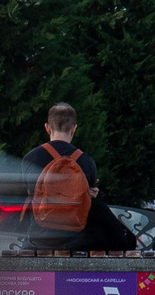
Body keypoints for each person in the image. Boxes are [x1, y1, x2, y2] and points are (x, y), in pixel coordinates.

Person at [23, 102, 136, 252]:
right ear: (74, 129)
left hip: (40, 238)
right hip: (76, 240)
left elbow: (28, 195)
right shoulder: (86, 161)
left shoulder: (30, 158)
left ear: (47, 128)